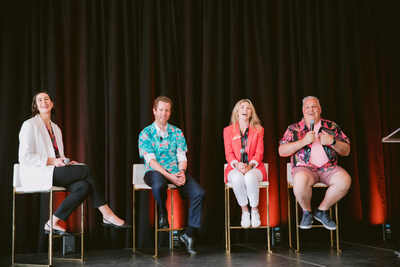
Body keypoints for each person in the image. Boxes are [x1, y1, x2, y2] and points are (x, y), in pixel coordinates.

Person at [18, 91, 131, 236]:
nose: (44, 102)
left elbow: (59, 156)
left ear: (52, 104)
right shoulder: (29, 125)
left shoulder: (56, 129)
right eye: (39, 100)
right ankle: (107, 214)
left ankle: (52, 222)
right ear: (36, 106)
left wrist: (67, 162)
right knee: (86, 170)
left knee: (84, 186)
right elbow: (25, 157)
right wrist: (53, 161)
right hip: (37, 172)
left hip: (54, 170)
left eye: (46, 99)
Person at [138, 96, 206, 255]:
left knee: (200, 193)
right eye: (161, 110)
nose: (164, 113)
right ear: (154, 111)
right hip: (155, 172)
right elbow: (151, 161)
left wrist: (181, 172)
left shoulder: (177, 132)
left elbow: (182, 157)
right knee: (159, 184)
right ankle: (163, 214)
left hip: (176, 172)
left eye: (167, 110)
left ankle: (189, 234)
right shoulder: (146, 133)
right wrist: (170, 177)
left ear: (170, 112)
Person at [279, 96, 351, 230]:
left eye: (314, 106)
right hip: (304, 168)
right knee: (300, 181)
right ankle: (307, 213)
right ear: (302, 110)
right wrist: (302, 142)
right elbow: (282, 151)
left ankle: (321, 211)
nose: (311, 110)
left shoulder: (332, 126)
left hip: (328, 168)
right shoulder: (294, 128)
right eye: (307, 107)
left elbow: (346, 150)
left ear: (320, 109)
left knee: (345, 180)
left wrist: (332, 142)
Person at [223, 99, 268, 228]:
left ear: (251, 113)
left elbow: (259, 153)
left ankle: (254, 210)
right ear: (237, 112)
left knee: (249, 176)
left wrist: (250, 166)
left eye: (248, 108)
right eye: (242, 107)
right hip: (235, 167)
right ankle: (245, 211)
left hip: (255, 167)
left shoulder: (259, 130)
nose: (245, 110)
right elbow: (229, 153)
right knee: (237, 177)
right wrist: (237, 165)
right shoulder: (228, 130)